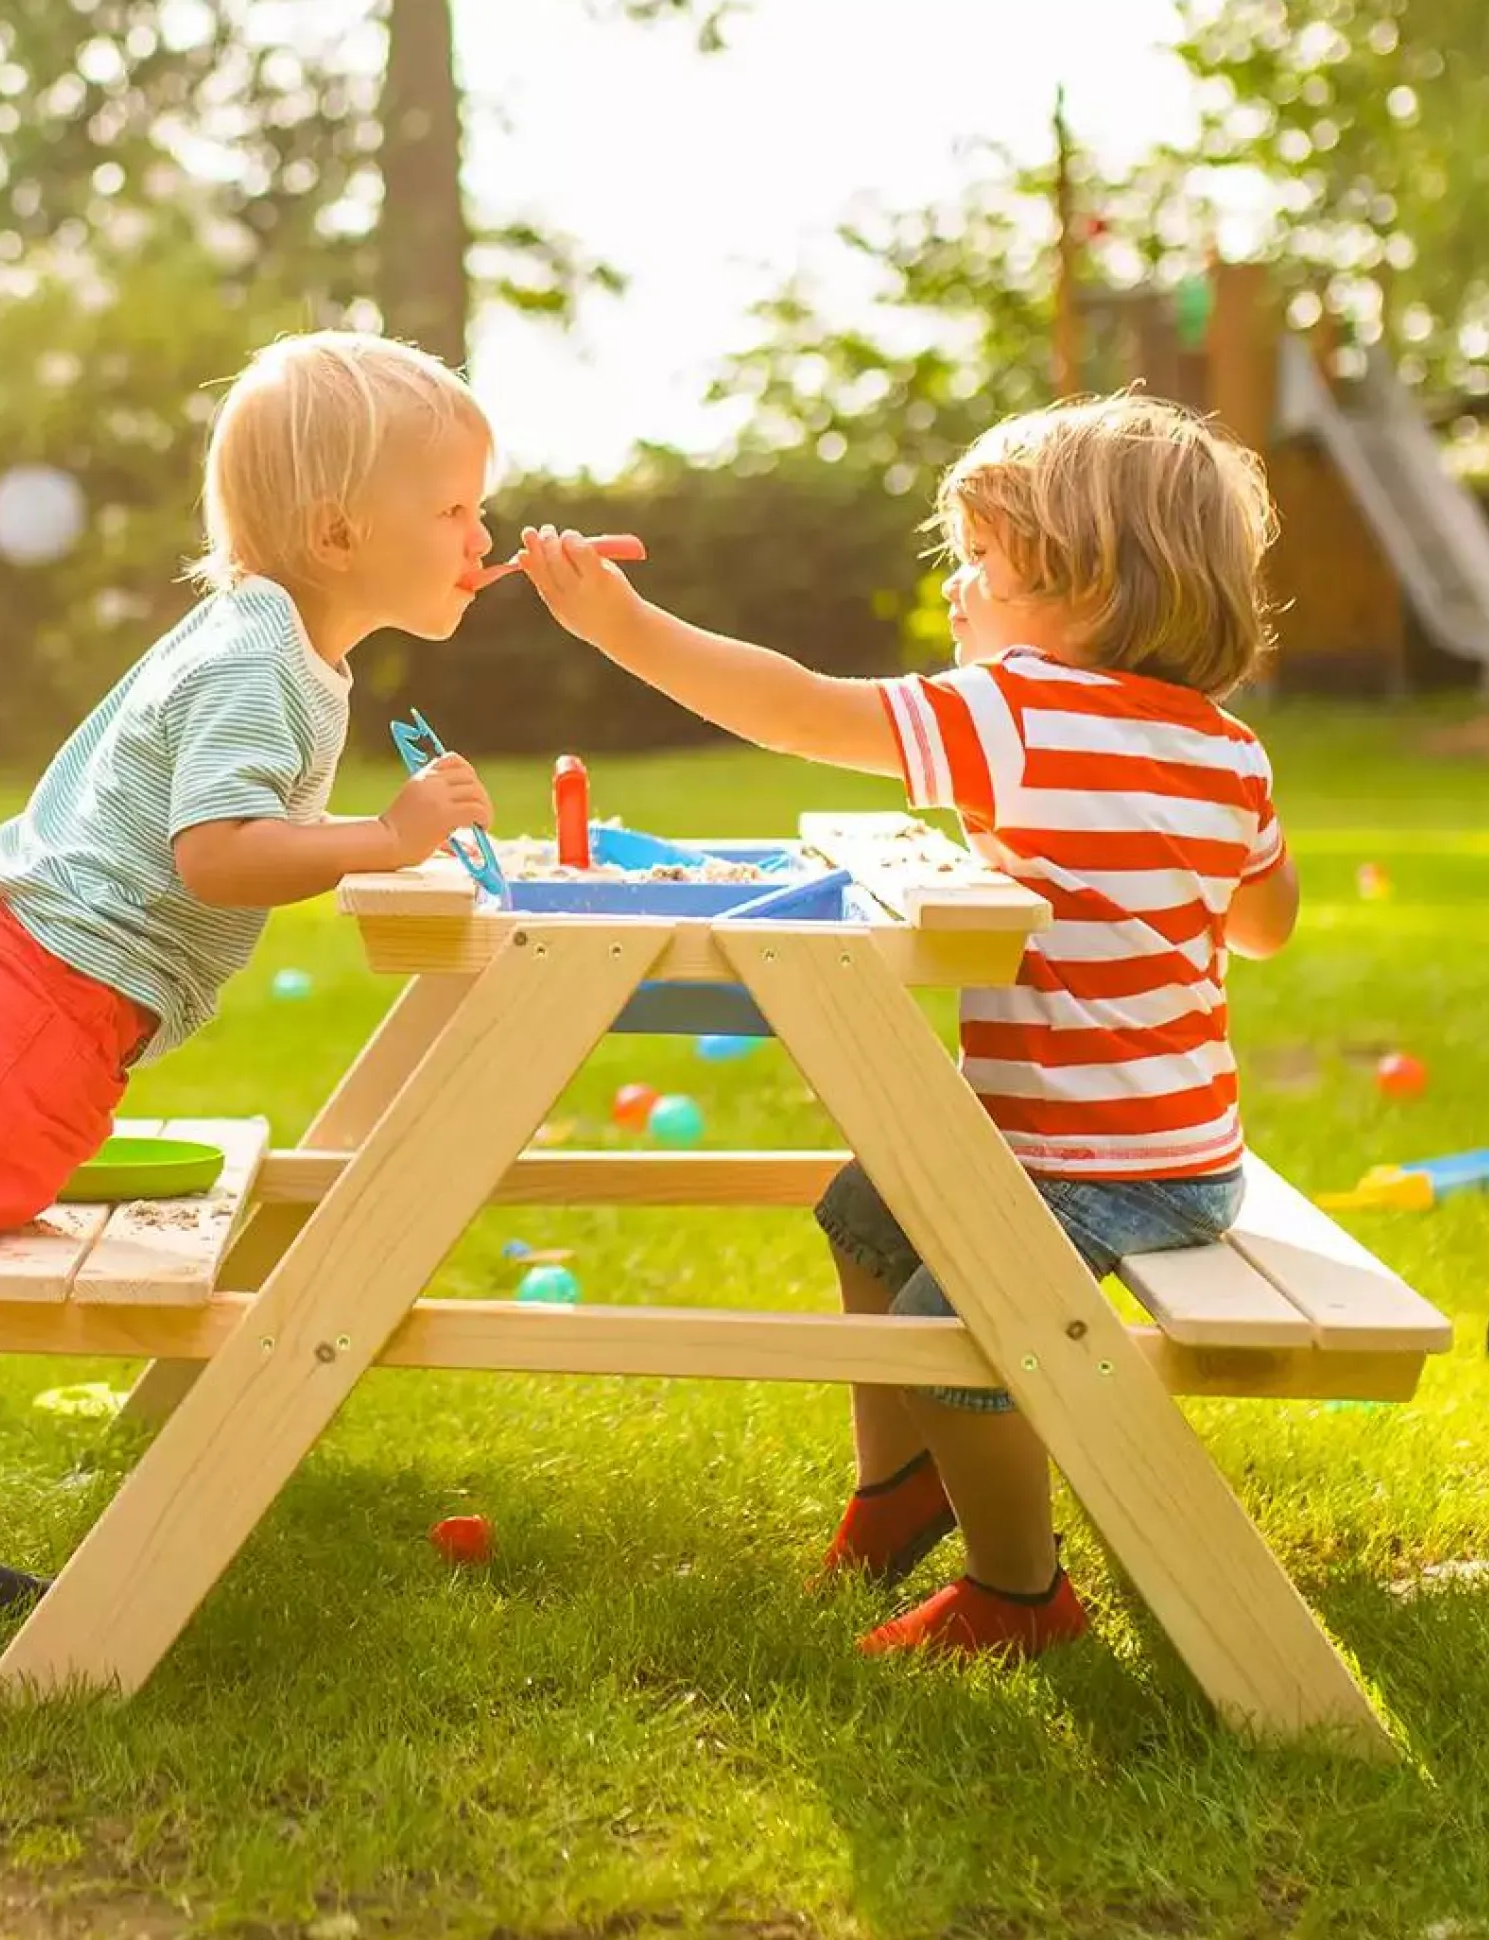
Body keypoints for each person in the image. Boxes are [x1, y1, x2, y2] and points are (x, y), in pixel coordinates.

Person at [0, 332, 499, 1654]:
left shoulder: (270, 638)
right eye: (457, 508)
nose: (483, 534)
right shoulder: (262, 661)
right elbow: (218, 850)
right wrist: (382, 839)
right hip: (30, 997)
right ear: (339, 528)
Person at [518, 392, 1299, 1662]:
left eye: (981, 565)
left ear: (1085, 580)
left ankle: (1016, 1592)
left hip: (1096, 1166)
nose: (957, 594)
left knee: (957, 1320)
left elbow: (797, 709)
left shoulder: (1019, 711)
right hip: (1177, 1149)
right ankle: (899, 1494)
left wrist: (622, 627)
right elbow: (1264, 921)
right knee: (864, 1204)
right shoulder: (1228, 750)